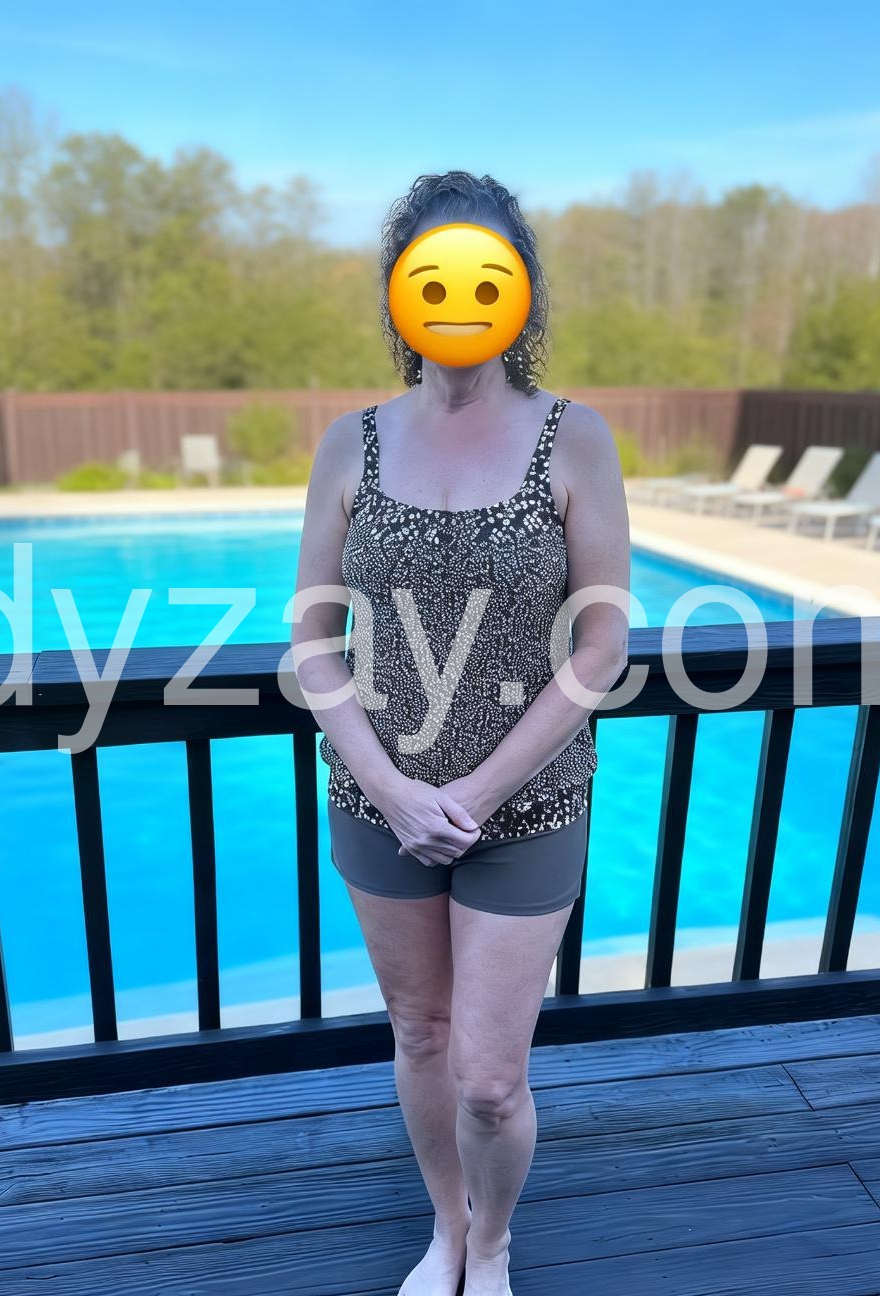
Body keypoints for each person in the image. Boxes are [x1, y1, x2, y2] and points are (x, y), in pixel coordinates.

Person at [291, 171, 631, 1296]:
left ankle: (493, 1247)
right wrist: (390, 788)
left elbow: (602, 642)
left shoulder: (574, 439)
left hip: (528, 805)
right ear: (401, 295)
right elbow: (314, 638)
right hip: (377, 804)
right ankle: (446, 1230)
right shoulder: (351, 442)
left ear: (521, 295)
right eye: (430, 276)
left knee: (489, 1078)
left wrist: (477, 793)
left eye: (487, 275)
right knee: (422, 1036)